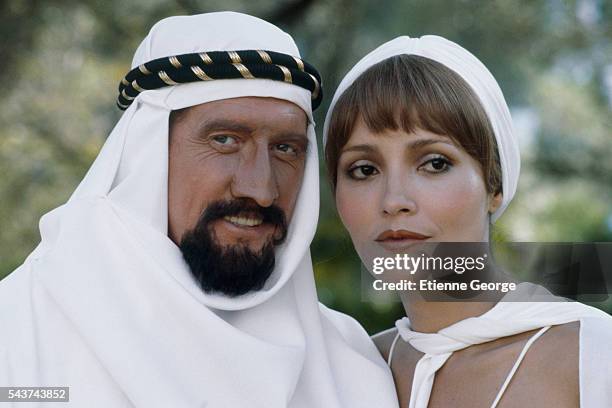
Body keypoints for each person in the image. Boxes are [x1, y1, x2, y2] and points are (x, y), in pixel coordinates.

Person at [0, 12, 400, 408]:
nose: (260, 189)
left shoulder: (352, 362)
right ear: (148, 151)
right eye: (225, 140)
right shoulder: (19, 331)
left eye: (285, 149)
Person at [323, 35, 612, 407]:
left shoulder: (592, 356)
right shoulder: (347, 371)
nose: (394, 200)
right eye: (364, 169)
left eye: (435, 163)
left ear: (494, 185)